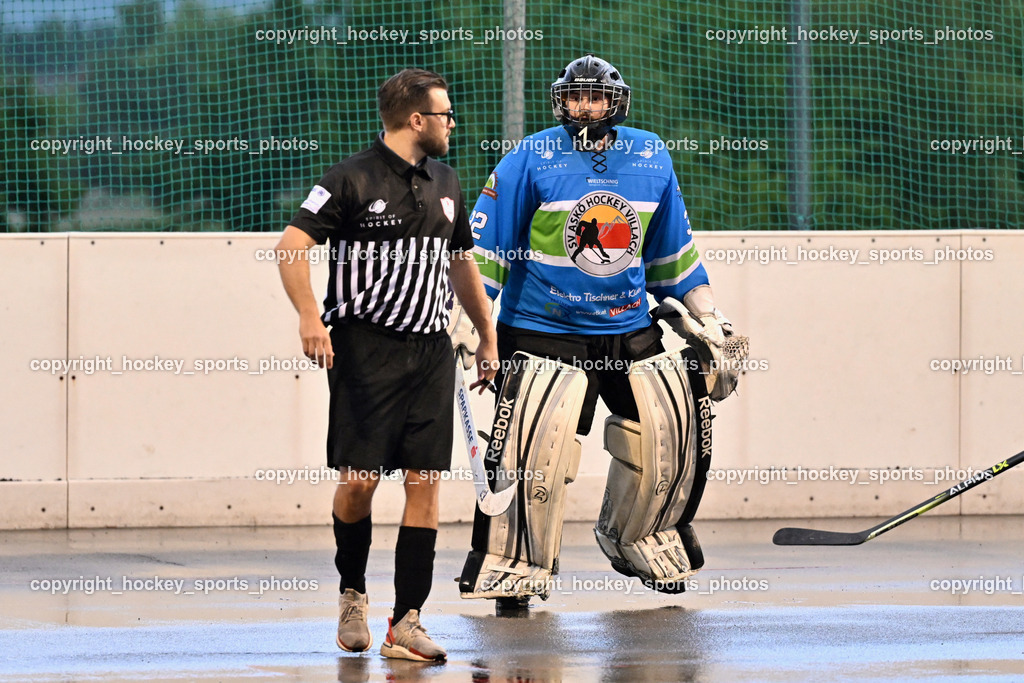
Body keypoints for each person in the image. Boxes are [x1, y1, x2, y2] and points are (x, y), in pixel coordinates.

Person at [455, 55, 745, 611]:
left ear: (616, 102)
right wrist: (471, 321)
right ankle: (515, 566)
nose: (584, 107)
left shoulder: (651, 155)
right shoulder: (529, 157)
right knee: (536, 448)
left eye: (595, 97)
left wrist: (709, 317)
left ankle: (641, 541)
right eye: (575, 97)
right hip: (542, 329)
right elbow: (486, 251)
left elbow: (672, 255)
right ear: (559, 101)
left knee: (668, 429)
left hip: (626, 325)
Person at [275, 68, 498, 661]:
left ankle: (407, 622)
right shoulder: (350, 178)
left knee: (425, 484)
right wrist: (308, 319)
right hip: (364, 349)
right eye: (446, 114)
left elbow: (461, 264)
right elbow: (291, 249)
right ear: (416, 119)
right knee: (361, 481)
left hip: (430, 352)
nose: (453, 124)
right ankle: (352, 593)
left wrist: (487, 335)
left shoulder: (448, 181)